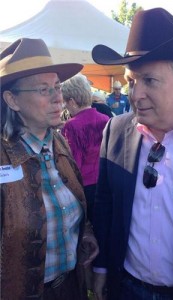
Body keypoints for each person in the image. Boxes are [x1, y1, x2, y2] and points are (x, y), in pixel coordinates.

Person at [91, 8, 173, 300]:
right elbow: (106, 205)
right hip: (126, 288)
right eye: (131, 81)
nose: (136, 94)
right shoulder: (115, 130)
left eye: (149, 80)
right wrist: (101, 268)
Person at [0, 38, 99, 300]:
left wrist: (84, 231)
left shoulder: (59, 144)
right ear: (12, 100)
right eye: (44, 90)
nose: (59, 98)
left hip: (70, 288)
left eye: (58, 87)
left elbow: (71, 202)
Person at [61, 74, 110, 223]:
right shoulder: (106, 119)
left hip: (84, 186)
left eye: (66, 102)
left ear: (72, 101)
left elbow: (73, 163)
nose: (65, 107)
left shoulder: (71, 125)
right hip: (104, 182)